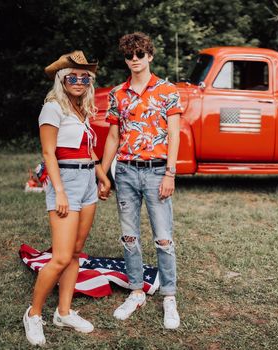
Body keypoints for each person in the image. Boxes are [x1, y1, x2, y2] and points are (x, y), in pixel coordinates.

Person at [23, 51, 111, 346]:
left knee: (74, 252)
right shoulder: (52, 107)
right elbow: (49, 153)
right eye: (72, 76)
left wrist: (100, 174)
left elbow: (87, 150)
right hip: (66, 181)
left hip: (87, 180)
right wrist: (58, 190)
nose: (78, 81)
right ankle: (34, 314)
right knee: (60, 256)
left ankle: (63, 311)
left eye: (84, 77)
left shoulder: (81, 109)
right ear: (62, 79)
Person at [101, 32, 182, 329]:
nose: (134, 59)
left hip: (157, 170)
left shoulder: (167, 90)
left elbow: (174, 135)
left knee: (163, 237)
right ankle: (136, 291)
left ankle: (169, 296)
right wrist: (103, 172)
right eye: (129, 55)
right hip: (125, 171)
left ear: (149, 55)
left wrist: (170, 173)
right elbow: (113, 135)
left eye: (139, 54)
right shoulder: (117, 94)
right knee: (129, 236)